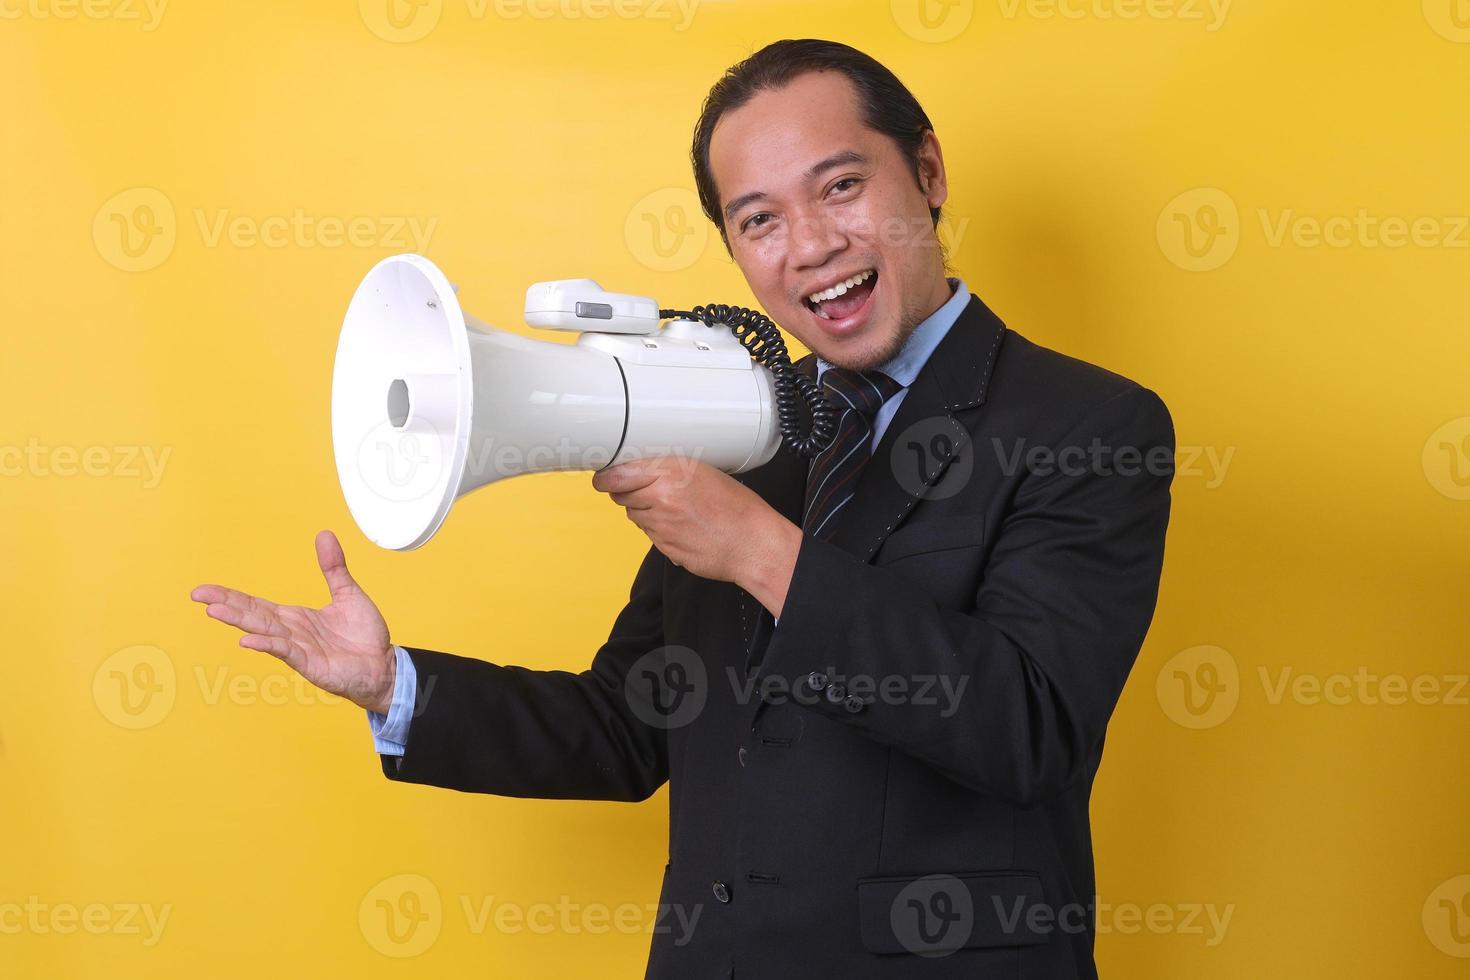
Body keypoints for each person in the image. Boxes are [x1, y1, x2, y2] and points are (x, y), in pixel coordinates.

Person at [192, 39, 1174, 980]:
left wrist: (757, 549)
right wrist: (392, 685)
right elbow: (630, 723)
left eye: (841, 186)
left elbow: (1027, 727)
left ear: (927, 171)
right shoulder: (743, 426)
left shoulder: (1090, 425)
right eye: (759, 220)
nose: (812, 246)